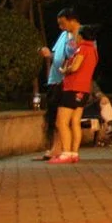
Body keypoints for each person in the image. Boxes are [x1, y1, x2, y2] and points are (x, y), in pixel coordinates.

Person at [50, 18, 98, 163]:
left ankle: (65, 152)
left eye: (77, 35)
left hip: (73, 88)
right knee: (75, 122)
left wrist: (65, 70)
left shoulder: (82, 49)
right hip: (84, 89)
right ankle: (74, 153)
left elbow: (76, 67)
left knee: (62, 122)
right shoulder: (94, 51)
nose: (75, 37)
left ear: (81, 36)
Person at [38, 10, 83, 159]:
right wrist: (48, 54)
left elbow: (78, 58)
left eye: (62, 23)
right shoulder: (64, 35)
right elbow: (56, 54)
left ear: (72, 20)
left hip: (67, 82)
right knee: (53, 116)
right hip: (54, 79)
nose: (60, 27)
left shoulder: (82, 35)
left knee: (62, 119)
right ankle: (56, 148)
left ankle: (66, 150)